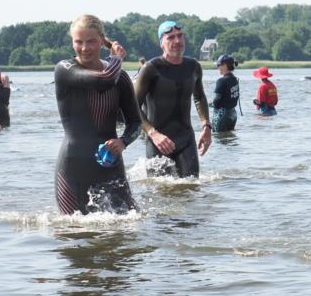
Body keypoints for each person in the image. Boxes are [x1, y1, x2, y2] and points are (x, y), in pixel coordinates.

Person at [54, 14, 141, 215]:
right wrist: (117, 58)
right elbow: (105, 80)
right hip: (73, 168)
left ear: (102, 40)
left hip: (111, 165)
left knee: (129, 228)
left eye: (91, 41)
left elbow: (136, 122)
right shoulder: (65, 69)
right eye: (79, 42)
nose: (85, 48)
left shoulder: (121, 77)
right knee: (74, 237)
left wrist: (124, 141)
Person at [134, 20, 212, 177]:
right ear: (161, 43)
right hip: (158, 142)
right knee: (159, 193)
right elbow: (132, 106)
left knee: (191, 189)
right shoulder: (150, 68)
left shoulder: (194, 66)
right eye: (170, 37)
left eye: (180, 36)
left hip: (186, 139)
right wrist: (153, 133)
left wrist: (206, 126)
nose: (177, 41)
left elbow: (199, 97)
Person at [210, 54, 241, 132]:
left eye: (218, 65)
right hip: (233, 114)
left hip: (222, 115)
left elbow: (216, 99)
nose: (217, 67)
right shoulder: (235, 80)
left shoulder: (221, 81)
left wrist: (208, 104)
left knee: (218, 139)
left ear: (224, 65)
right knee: (230, 139)